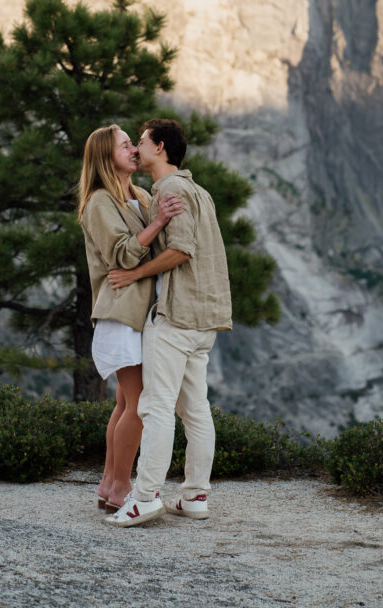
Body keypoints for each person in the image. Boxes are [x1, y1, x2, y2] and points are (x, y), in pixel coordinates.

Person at [105, 118, 232, 527]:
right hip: (206, 318)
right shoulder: (197, 191)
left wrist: (134, 274)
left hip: (176, 316)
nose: (136, 148)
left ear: (159, 147)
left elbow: (182, 249)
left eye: (140, 142)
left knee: (155, 407)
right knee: (195, 408)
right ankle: (194, 495)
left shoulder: (173, 190)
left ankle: (144, 498)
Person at [78, 124, 184, 513]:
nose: (133, 150)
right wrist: (159, 221)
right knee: (139, 405)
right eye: (126, 146)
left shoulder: (137, 194)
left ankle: (109, 484)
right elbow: (121, 254)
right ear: (108, 157)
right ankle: (122, 485)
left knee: (125, 403)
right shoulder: (99, 202)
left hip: (138, 313)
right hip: (120, 314)